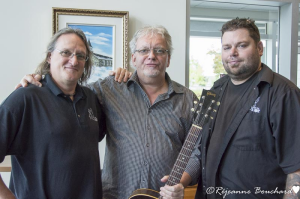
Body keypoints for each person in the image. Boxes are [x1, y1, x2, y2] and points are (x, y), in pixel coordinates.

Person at [15, 25, 200, 199]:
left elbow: (199, 151)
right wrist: (39, 81)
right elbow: (67, 90)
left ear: (168, 59)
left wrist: (181, 182)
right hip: (114, 195)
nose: (151, 56)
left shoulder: (188, 100)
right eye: (143, 50)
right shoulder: (109, 89)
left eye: (159, 50)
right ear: (133, 59)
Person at [166, 17, 300, 199]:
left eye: (242, 45)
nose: (233, 53)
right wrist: (180, 181)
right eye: (227, 47)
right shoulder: (215, 90)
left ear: (260, 48)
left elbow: (296, 172)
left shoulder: (283, 94)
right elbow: (201, 152)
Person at [0, 28, 106, 198]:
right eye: (66, 52)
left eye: (80, 56)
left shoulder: (90, 98)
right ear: (50, 56)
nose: (74, 60)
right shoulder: (25, 97)